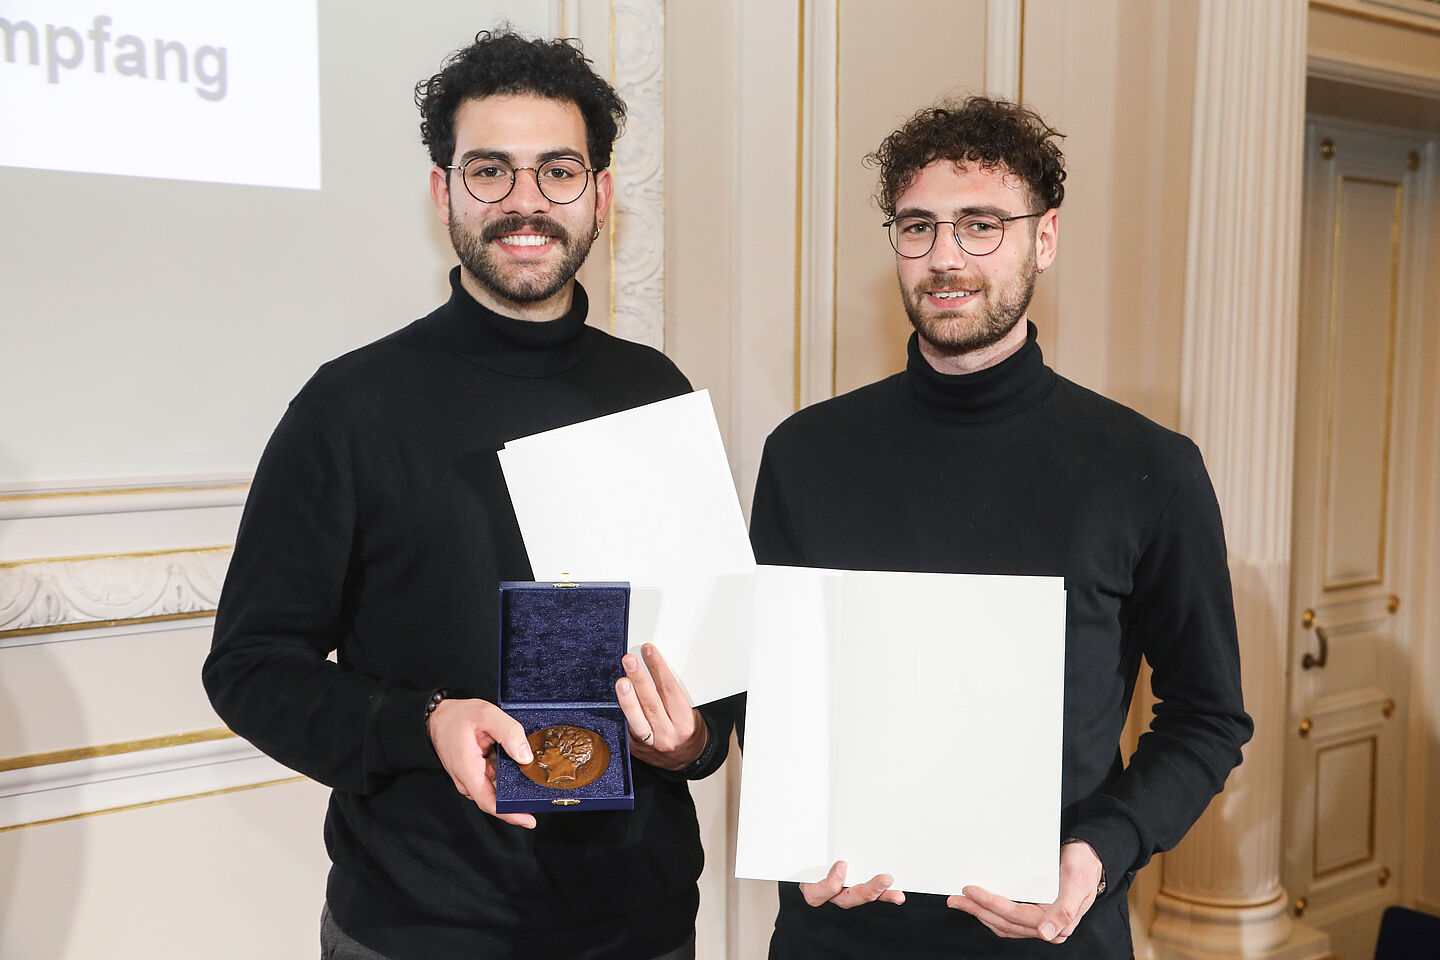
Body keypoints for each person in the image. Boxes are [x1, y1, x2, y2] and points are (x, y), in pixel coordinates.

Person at [202, 30, 728, 960]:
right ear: (443, 190)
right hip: (417, 929)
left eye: (558, 171)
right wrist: (423, 720)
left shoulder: (655, 392)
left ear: (602, 196)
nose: (526, 203)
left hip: (641, 926)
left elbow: (709, 688)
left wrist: (685, 743)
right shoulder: (350, 406)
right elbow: (250, 665)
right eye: (491, 170)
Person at [747, 96, 1253, 958]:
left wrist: (1101, 851)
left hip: (1050, 934)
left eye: (980, 225)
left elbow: (1207, 718)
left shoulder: (1149, 469)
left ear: (1044, 239)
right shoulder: (803, 454)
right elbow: (775, 697)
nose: (945, 257)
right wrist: (794, 830)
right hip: (838, 933)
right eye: (918, 227)